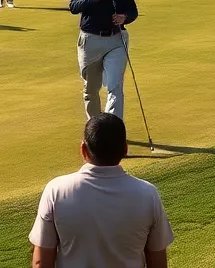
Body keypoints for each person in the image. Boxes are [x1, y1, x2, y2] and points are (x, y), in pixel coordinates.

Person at [28, 113, 174, 268]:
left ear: (83, 149)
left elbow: (41, 263)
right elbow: (158, 262)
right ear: (125, 149)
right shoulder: (148, 194)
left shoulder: (56, 191)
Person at [69, 0, 138, 121]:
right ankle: (96, 127)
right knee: (91, 89)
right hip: (90, 40)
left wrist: (125, 18)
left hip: (116, 40)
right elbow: (74, 6)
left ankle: (112, 129)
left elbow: (133, 11)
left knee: (115, 87)